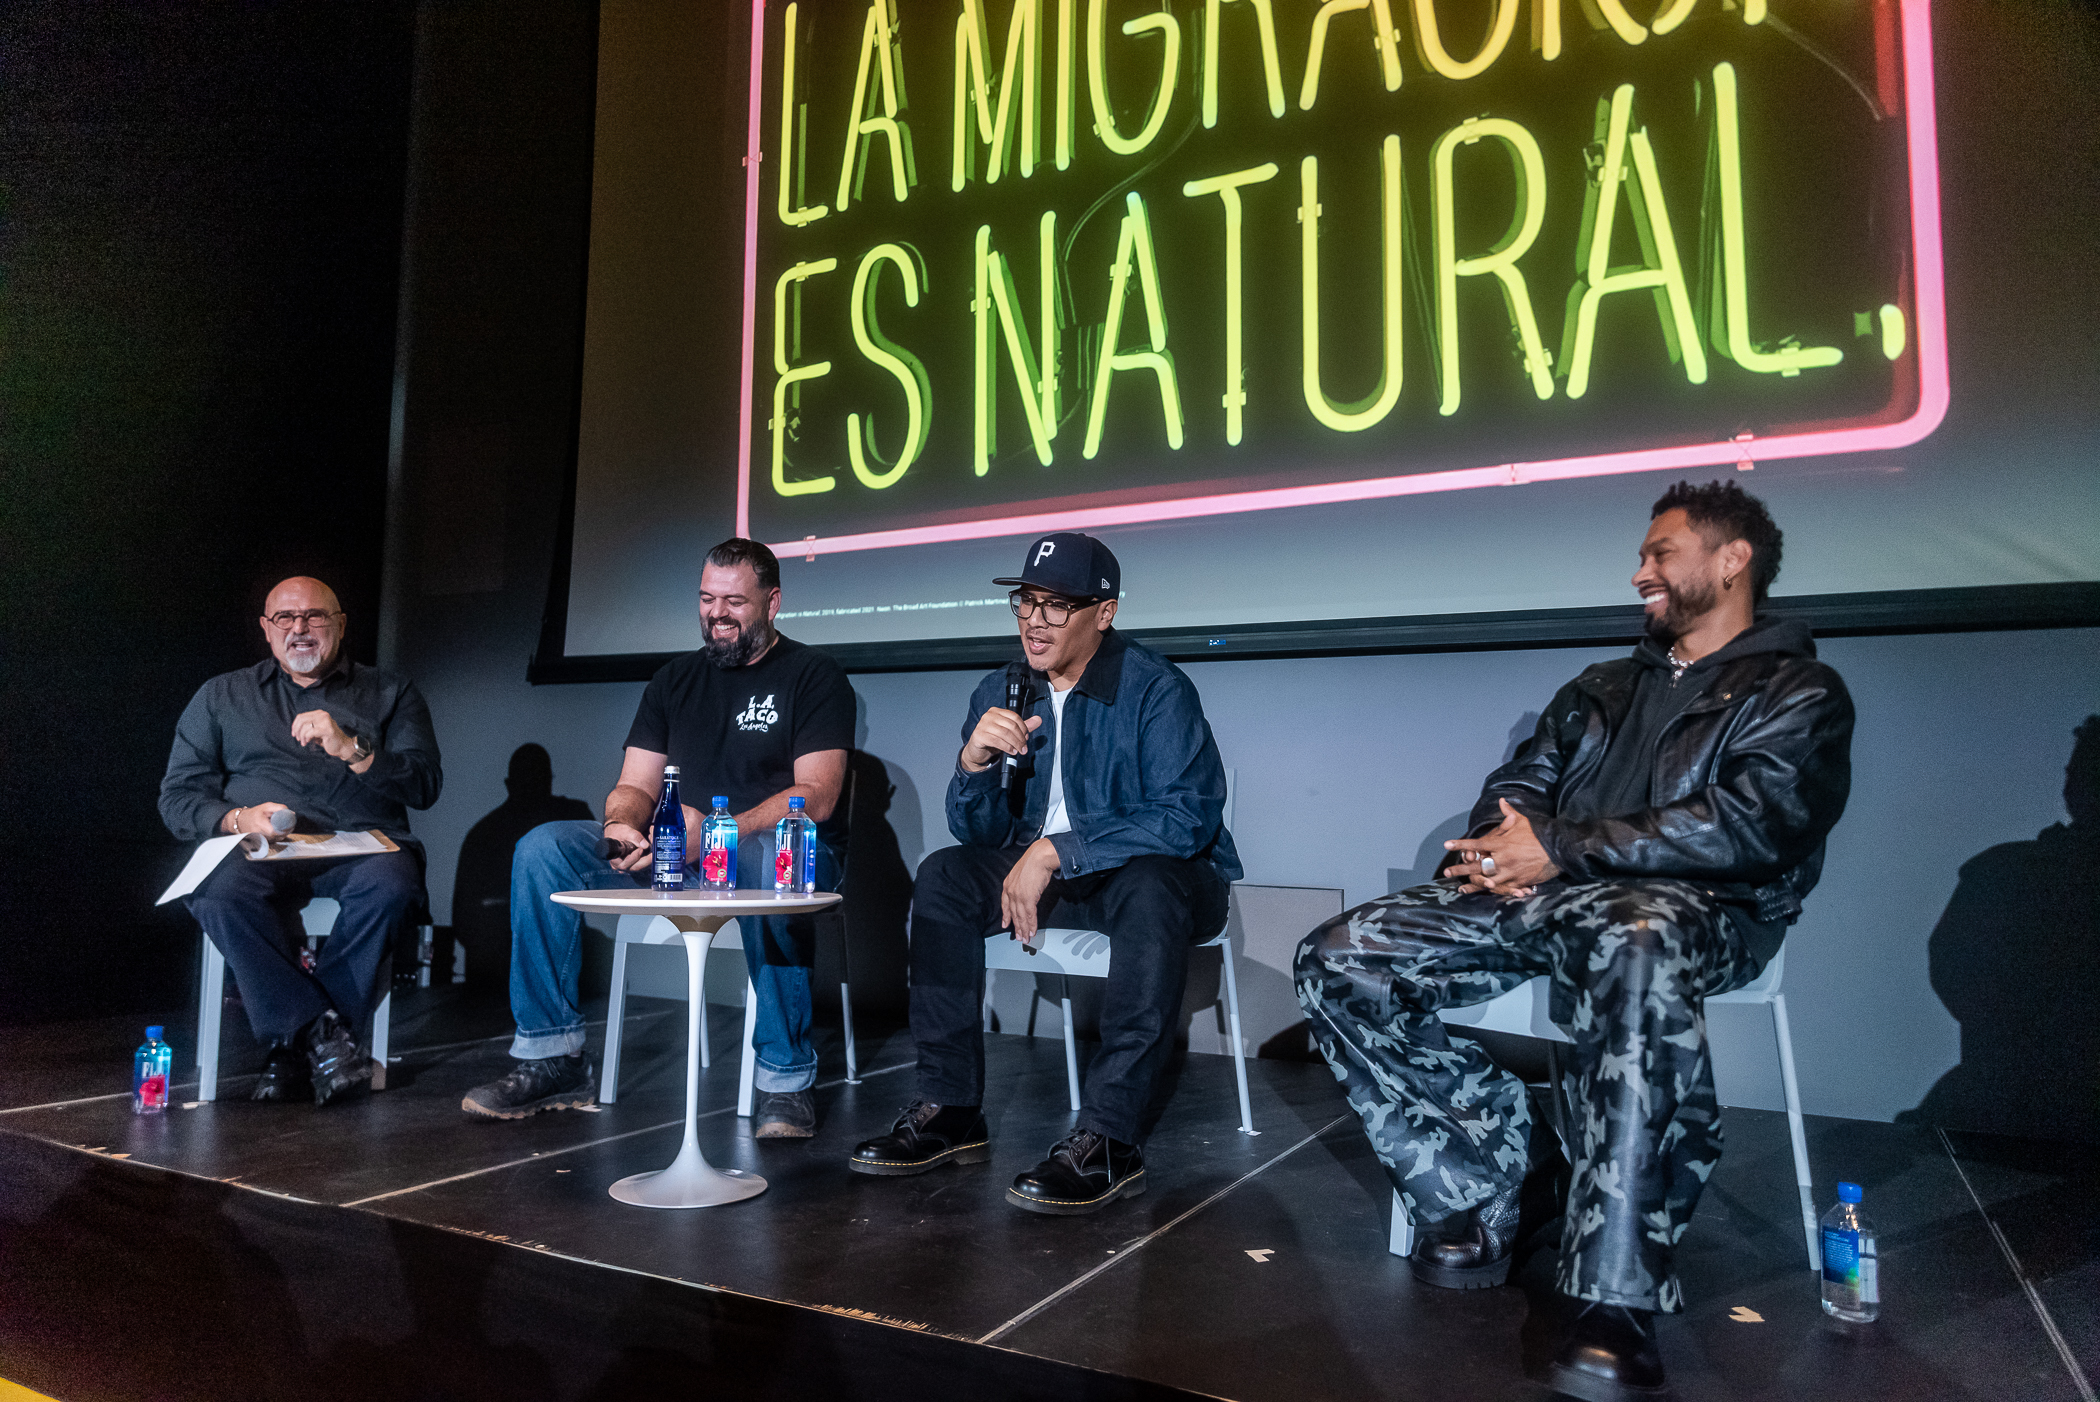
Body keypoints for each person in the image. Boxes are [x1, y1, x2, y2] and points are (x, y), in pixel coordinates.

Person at [1296, 481, 1853, 1402]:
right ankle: (1498, 1181)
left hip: (1698, 912)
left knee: (1635, 943)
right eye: (1641, 556)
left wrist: (1559, 846)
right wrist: (1501, 848)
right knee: (1343, 955)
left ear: (1732, 560)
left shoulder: (1798, 692)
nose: (1640, 572)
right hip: (1556, 900)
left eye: (1661, 553)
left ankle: (1613, 1296)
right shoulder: (1601, 688)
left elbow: (1750, 826)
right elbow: (1514, 795)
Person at [849, 532, 1241, 1215]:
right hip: (1055, 879)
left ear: (1105, 613)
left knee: (1150, 885)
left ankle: (1110, 1138)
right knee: (944, 876)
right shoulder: (1002, 690)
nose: (1035, 621)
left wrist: (1056, 850)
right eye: (1027, 602)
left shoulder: (1155, 688)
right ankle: (950, 1108)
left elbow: (1186, 818)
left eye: (1057, 606)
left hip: (1159, 881)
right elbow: (978, 834)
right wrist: (971, 765)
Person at [462, 539, 853, 1137]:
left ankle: (785, 1078)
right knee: (543, 848)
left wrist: (719, 833)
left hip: (780, 853)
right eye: (706, 599)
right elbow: (634, 786)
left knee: (760, 854)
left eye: (733, 601)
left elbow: (817, 795)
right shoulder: (674, 680)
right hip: (678, 855)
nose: (717, 614)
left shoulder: (814, 675)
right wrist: (620, 825)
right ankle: (552, 1057)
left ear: (772, 603)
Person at [160, 576, 443, 1106]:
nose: (300, 628)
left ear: (340, 624)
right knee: (213, 887)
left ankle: (291, 1047)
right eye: (285, 618)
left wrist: (352, 748)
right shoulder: (222, 695)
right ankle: (322, 1037)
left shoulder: (391, 692)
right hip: (260, 847)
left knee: (393, 885)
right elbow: (178, 796)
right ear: (267, 630)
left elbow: (424, 786)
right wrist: (238, 818)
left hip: (360, 845)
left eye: (314, 616)